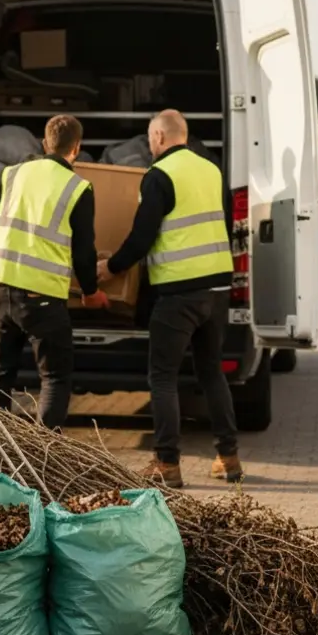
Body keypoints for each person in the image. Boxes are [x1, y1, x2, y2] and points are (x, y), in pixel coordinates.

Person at [97, 109, 238, 488]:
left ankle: (167, 463)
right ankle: (228, 457)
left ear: (159, 136)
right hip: (217, 289)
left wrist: (112, 267)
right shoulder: (212, 169)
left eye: (150, 139)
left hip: (178, 292)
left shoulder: (159, 175)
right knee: (211, 373)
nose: (149, 145)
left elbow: (143, 235)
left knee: (162, 377)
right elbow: (225, 225)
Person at [0, 114, 110, 430]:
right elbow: (84, 251)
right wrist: (91, 292)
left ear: (44, 143)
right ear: (76, 148)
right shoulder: (78, 188)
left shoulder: (13, 174)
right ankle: (45, 453)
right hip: (42, 297)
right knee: (54, 376)